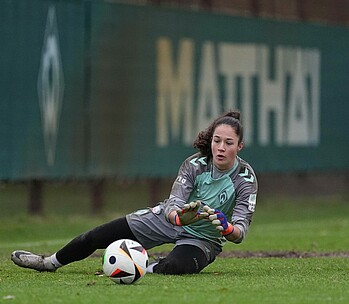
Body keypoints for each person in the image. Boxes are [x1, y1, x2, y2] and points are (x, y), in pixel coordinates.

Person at [11, 110, 258, 275]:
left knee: (176, 266)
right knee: (98, 235)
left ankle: (139, 268)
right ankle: (48, 262)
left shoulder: (245, 179)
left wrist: (226, 229)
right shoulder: (195, 164)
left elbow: (240, 232)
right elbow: (174, 202)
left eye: (228, 143)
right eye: (217, 140)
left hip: (204, 238)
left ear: (240, 146)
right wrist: (179, 217)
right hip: (167, 220)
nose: (221, 148)